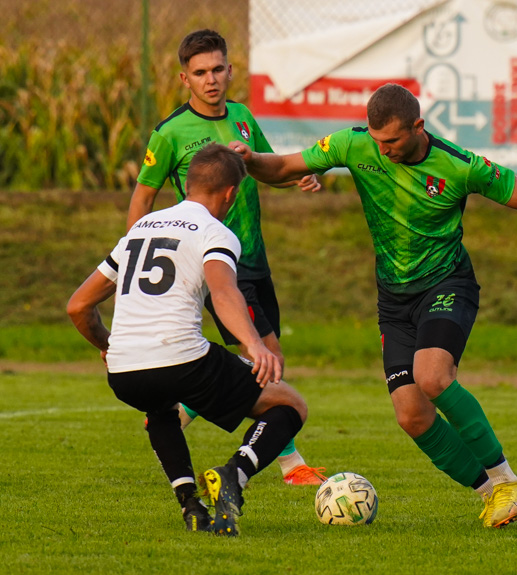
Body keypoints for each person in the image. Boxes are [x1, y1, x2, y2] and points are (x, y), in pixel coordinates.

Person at [230, 83, 517, 528]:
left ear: (418, 126)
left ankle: (507, 479)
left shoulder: (459, 166)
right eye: (378, 142)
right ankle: (491, 493)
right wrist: (249, 159)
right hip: (394, 299)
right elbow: (280, 166)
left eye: (393, 141)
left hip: (447, 285)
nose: (384, 150)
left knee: (433, 376)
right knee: (412, 416)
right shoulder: (353, 144)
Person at [67, 143, 309, 535]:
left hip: (124, 373)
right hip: (183, 360)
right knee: (289, 404)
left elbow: (78, 306)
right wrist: (254, 343)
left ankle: (190, 505)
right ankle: (235, 474)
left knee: (160, 408)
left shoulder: (139, 230)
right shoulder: (216, 232)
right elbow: (225, 292)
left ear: (187, 184)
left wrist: (108, 346)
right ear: (231, 193)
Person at [129, 29, 324, 485]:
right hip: (214, 266)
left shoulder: (241, 116)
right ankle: (289, 466)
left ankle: (183, 410)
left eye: (217, 69)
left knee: (268, 360)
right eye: (200, 73)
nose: (211, 79)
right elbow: (142, 199)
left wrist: (297, 178)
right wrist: (137, 254)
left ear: (230, 70)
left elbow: (266, 167)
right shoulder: (170, 132)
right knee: (266, 357)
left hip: (254, 257)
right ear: (185, 78)